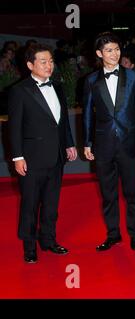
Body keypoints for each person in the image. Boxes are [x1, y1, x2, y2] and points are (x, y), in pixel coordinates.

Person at [8, 43, 77, 263]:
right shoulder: (19, 91)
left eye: (51, 61)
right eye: (43, 62)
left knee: (51, 202)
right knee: (30, 203)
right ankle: (29, 247)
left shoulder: (57, 86)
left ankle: (48, 240)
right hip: (32, 158)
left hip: (57, 156)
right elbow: (14, 127)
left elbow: (62, 120)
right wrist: (17, 157)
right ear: (30, 65)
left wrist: (69, 143)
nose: (49, 66)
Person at [83, 32, 135, 252]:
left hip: (129, 144)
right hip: (104, 145)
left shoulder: (134, 77)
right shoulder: (91, 80)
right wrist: (88, 142)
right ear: (99, 54)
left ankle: (134, 234)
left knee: (132, 192)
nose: (114, 54)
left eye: (117, 49)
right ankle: (113, 234)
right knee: (108, 193)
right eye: (109, 50)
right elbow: (88, 112)